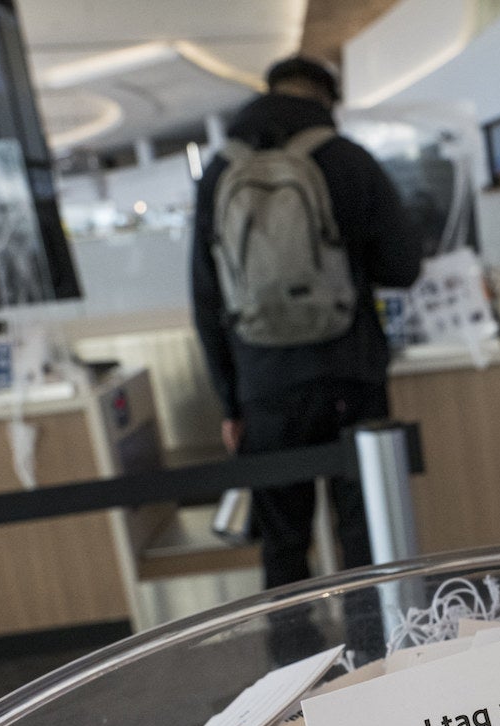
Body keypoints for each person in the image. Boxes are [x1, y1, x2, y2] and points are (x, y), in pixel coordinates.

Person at [192, 55, 423, 588]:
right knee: (366, 535)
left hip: (264, 383)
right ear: (326, 100)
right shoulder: (348, 160)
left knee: (284, 543)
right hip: (351, 372)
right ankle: (379, 656)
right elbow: (403, 268)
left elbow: (205, 299)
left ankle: (295, 659)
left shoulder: (219, 170)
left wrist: (230, 402)